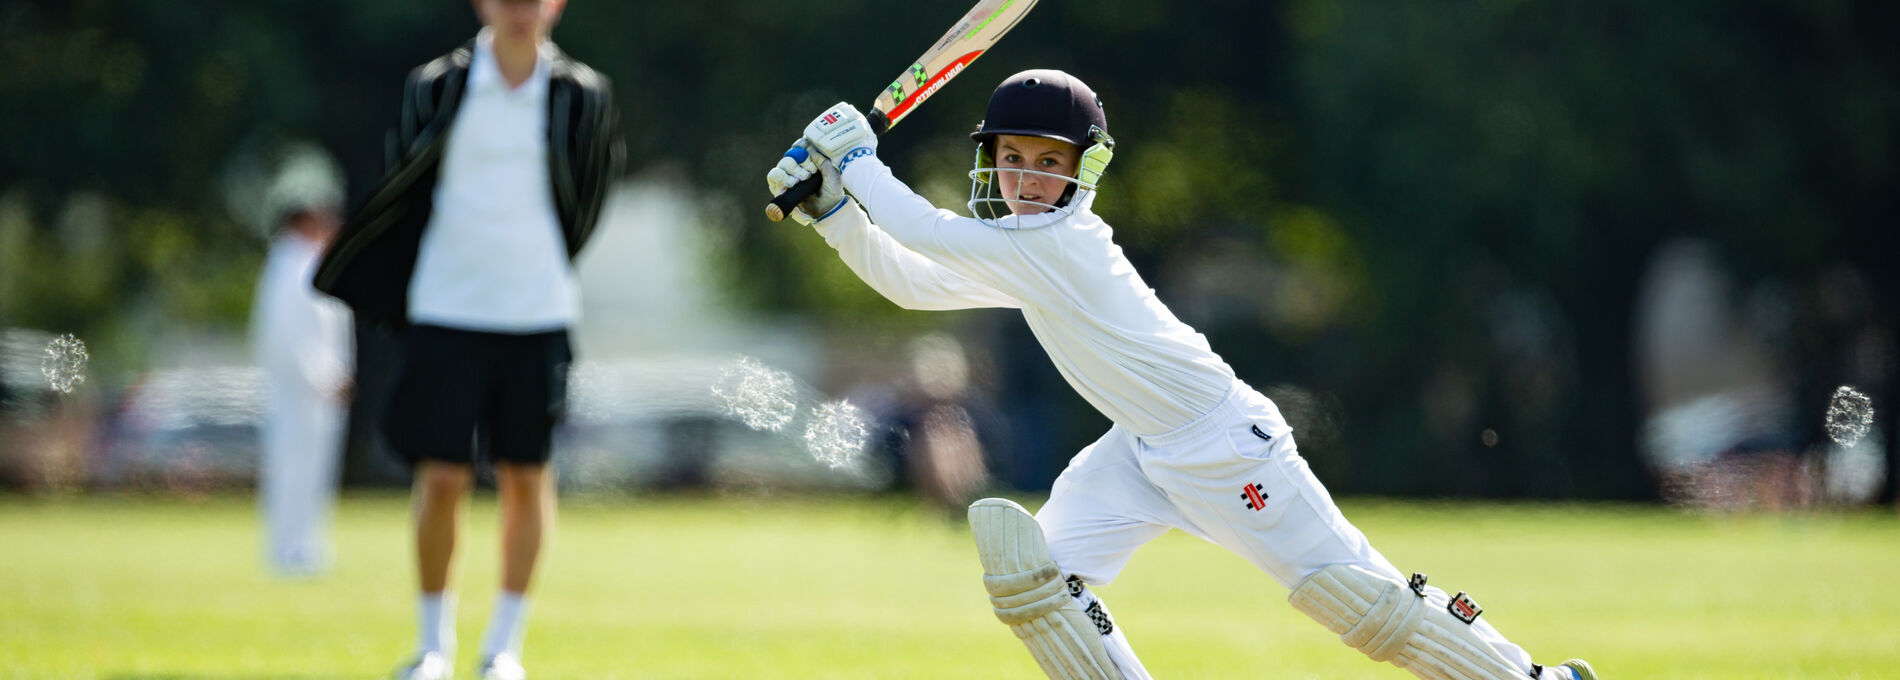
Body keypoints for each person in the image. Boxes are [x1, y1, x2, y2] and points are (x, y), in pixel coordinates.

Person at [767, 70, 1599, 680]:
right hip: (1139, 452)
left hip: (1227, 447)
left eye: (1046, 161)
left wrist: (858, 159)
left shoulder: (1060, 243)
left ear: (1083, 170)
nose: (1025, 177)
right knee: (1035, 582)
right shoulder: (1026, 251)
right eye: (1012, 157)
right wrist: (834, 211)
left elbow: (929, 229)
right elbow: (914, 282)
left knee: (1352, 597)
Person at [311, 1, 623, 678]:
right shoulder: (436, 85)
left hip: (537, 314)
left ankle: (504, 648)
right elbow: (405, 184)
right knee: (442, 475)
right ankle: (433, 647)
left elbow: (590, 196)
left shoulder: (583, 95)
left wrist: (536, 266)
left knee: (526, 476)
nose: (521, 11)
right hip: (446, 310)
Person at [250, 147, 354, 578]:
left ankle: (304, 544)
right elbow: (293, 335)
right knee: (295, 468)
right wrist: (324, 377)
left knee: (313, 469)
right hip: (300, 389)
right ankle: (289, 548)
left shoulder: (305, 262)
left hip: (315, 390)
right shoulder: (292, 265)